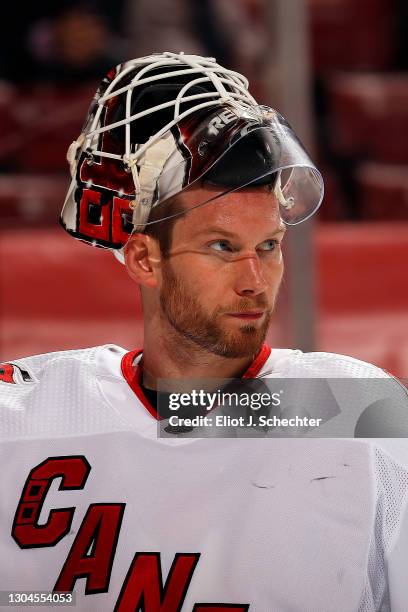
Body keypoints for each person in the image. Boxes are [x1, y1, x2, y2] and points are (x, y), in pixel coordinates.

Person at [1, 52, 408, 611]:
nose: (255, 281)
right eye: (222, 248)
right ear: (144, 259)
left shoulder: (360, 411)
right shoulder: (22, 413)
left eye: (268, 246)